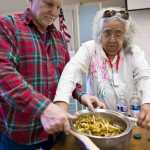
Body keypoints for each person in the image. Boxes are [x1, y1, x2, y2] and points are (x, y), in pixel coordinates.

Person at [0, 0, 104, 149]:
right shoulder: (7, 26)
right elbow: (4, 74)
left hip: (56, 133)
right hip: (20, 136)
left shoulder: (59, 38)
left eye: (58, 7)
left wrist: (81, 95)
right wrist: (44, 108)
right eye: (49, 4)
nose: (55, 13)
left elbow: (67, 75)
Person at [54, 7, 150, 128]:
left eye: (118, 33)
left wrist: (147, 103)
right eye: (107, 32)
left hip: (131, 122)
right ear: (100, 33)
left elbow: (145, 77)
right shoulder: (90, 49)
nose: (112, 39)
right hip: (99, 122)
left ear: (125, 35)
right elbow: (71, 71)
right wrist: (61, 103)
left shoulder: (133, 52)